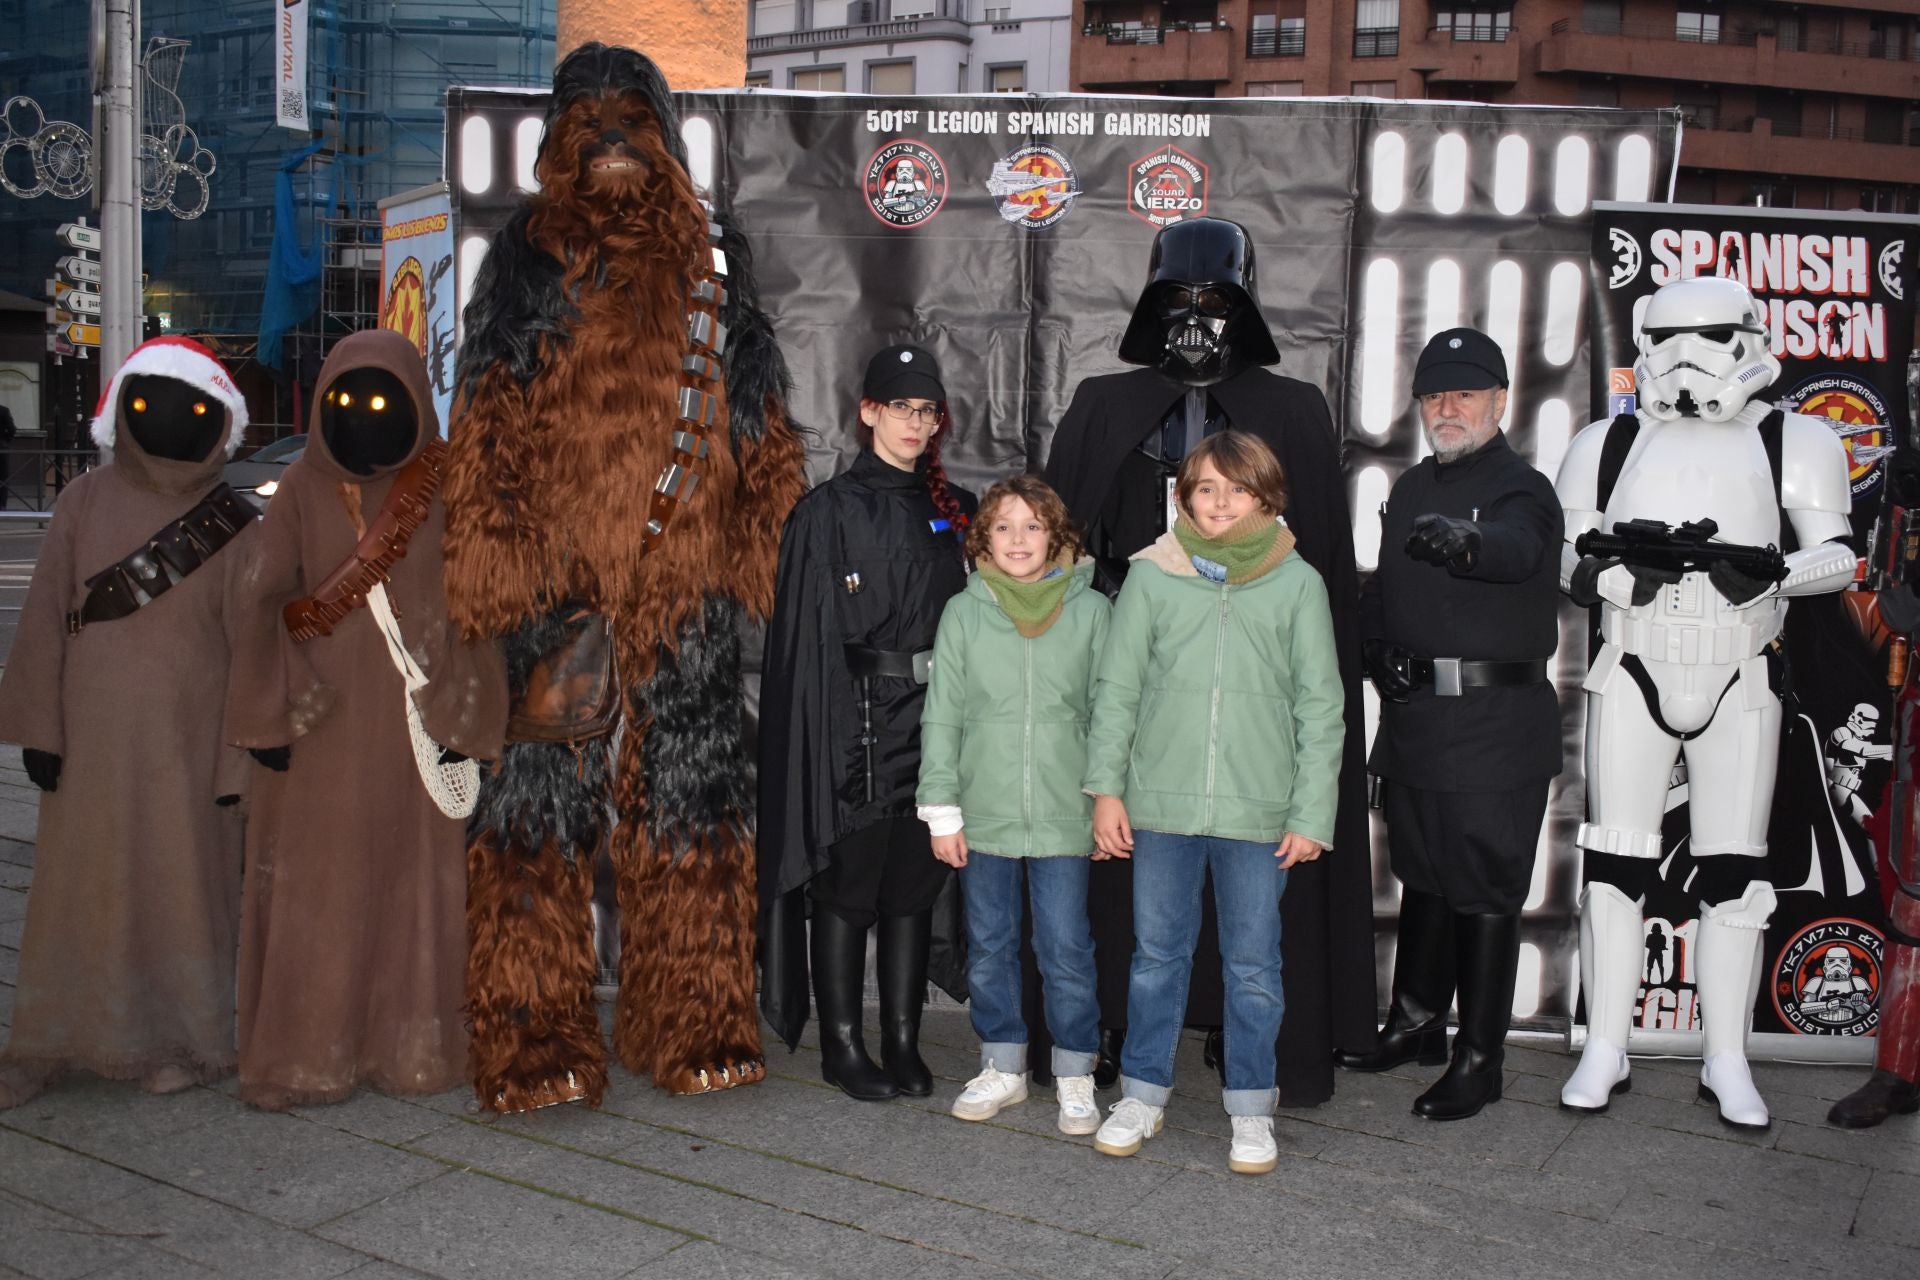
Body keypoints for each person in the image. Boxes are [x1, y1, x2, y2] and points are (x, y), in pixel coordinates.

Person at [443, 43, 807, 1111]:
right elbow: (490, 415)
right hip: (557, 599)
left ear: (664, 130)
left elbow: (757, 415)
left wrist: (764, 542)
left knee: (696, 818)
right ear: (559, 137)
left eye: (628, 114)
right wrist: (499, 569)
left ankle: (694, 1018)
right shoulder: (525, 257)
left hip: (680, 593)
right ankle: (531, 1035)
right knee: (533, 829)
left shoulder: (715, 262)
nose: (608, 134)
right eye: (588, 117)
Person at [1044, 216, 1374, 1104]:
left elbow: (1320, 574)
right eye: (1179, 298)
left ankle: (1249, 1035)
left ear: (1244, 299)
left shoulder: (1292, 410)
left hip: (1244, 668)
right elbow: (1059, 542)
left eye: (1214, 298)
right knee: (1120, 852)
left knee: (1248, 863)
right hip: (1131, 652)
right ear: (1152, 298)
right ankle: (1110, 1026)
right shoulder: (1102, 406)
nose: (1196, 315)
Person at [1556, 276, 1856, 1129]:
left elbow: (1837, 554)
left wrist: (1767, 573)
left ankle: (1727, 1056)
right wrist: (1620, 575)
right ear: (1644, 346)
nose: (1686, 360)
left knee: (1735, 869)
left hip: (1742, 672)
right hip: (1635, 665)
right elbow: (1571, 551)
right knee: (1616, 865)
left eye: (1710, 338)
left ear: (1748, 338)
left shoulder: (1793, 441)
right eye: (1668, 340)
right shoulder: (1606, 443)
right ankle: (1604, 1045)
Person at [224, 330, 507, 1108]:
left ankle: (413, 1051)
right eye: (343, 399)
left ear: (416, 400)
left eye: (382, 399)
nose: (360, 415)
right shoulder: (300, 493)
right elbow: (255, 604)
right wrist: (271, 713)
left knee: (418, 892)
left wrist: (468, 711)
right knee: (321, 894)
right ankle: (307, 1055)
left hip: (419, 725)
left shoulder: (448, 488)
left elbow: (478, 611)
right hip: (321, 733)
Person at [0, 337, 258, 1107]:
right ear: (121, 411)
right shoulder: (83, 499)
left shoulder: (238, 523)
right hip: (92, 741)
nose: (169, 417)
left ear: (219, 420)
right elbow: (44, 616)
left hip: (192, 742)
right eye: (147, 402)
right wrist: (40, 729)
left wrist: (237, 763)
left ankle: (188, 1043)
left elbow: (255, 652)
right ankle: (53, 1040)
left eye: (191, 405)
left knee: (185, 895)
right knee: (77, 895)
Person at [1082, 430, 1343, 1175]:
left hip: (1259, 814)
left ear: (1266, 496)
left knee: (1255, 965)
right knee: (1155, 959)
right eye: (1205, 488)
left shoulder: (1299, 584)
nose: (1220, 502)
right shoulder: (1152, 578)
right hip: (1159, 809)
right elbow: (1117, 692)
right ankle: (1142, 1094)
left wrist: (1310, 813)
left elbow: (1321, 709)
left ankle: (1252, 1105)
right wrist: (1106, 791)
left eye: (1237, 488)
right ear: (1183, 496)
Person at [1337, 328, 1562, 1121]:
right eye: (1435, 393)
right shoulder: (1411, 487)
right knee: (1423, 874)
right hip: (1416, 724)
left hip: (1495, 728)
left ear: (1501, 400)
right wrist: (1374, 648)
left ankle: (1481, 1059)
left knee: (1483, 890)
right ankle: (1415, 1023)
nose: (1448, 406)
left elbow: (1519, 548)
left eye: (1466, 392)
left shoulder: (1522, 488)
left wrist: (1472, 544)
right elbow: (1382, 587)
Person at [759, 344, 978, 1101]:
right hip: (853, 733)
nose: (915, 423)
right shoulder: (824, 515)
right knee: (849, 888)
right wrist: (821, 754)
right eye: (900, 408)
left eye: (927, 411)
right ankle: (843, 1045)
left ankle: (905, 1040)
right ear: (867, 413)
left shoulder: (958, 513)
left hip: (937, 730)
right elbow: (803, 650)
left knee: (915, 886)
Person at [915, 475, 1109, 1133]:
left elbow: (1111, 714)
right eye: (1003, 526)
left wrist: (1109, 796)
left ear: (1056, 535)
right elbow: (943, 718)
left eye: (1032, 525)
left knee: (1065, 948)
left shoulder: (1092, 612)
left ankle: (1076, 1071)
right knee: (991, 944)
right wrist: (941, 809)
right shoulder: (964, 613)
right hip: (985, 813)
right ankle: (1002, 1065)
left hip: (1064, 814)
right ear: (983, 540)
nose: (1019, 539)